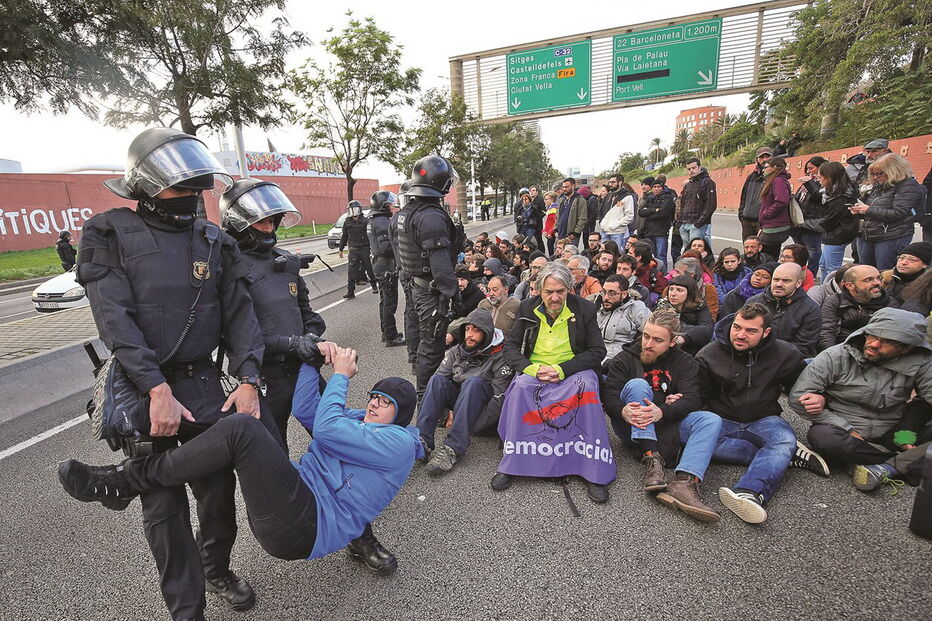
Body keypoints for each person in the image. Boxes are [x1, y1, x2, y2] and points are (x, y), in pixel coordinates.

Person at [77, 127, 265, 620]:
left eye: (198, 188)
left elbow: (241, 315)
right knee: (163, 509)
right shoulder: (108, 232)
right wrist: (155, 388)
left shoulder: (216, 240)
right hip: (145, 385)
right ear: (144, 187)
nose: (191, 198)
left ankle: (216, 567)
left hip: (203, 382)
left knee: (219, 492)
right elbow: (114, 320)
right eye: (180, 188)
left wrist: (249, 380)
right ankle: (187, 610)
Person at [60, 347, 425, 584]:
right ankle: (154, 425)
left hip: (304, 524)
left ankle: (127, 480)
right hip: (294, 500)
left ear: (401, 415)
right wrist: (312, 362)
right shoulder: (360, 421)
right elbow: (306, 410)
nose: (375, 404)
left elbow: (327, 429)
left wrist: (342, 375)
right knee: (248, 411)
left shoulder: (398, 444)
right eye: (374, 396)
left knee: (241, 430)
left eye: (386, 402)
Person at [219, 179, 330, 451]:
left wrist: (311, 337)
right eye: (261, 223)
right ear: (239, 224)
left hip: (303, 367)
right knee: (273, 457)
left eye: (272, 221)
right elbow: (238, 335)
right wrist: (291, 343)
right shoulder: (229, 271)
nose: (268, 228)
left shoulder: (284, 261)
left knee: (335, 437)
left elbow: (309, 315)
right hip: (264, 377)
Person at [492, 262, 612, 502]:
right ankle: (512, 461)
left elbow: (597, 351)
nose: (555, 297)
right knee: (520, 389)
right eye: (549, 292)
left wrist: (561, 369)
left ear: (570, 289)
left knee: (587, 388)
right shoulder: (527, 307)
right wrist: (532, 369)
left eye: (560, 291)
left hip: (572, 370)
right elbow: (511, 347)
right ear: (538, 291)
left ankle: (594, 470)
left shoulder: (585, 309)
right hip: (535, 369)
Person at [695, 304, 825, 523]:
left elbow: (801, 388)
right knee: (696, 442)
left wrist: (820, 396)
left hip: (764, 417)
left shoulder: (786, 353)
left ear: (766, 332)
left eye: (750, 331)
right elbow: (699, 396)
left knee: (783, 440)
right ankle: (784, 457)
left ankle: (749, 493)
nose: (740, 335)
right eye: (737, 327)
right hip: (721, 418)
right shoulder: (709, 354)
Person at [791, 308, 932, 492]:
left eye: (887, 341)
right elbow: (797, 397)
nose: (874, 343)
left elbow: (926, 400)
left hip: (893, 430)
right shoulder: (836, 355)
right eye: (871, 335)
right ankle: (905, 462)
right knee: (822, 438)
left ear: (907, 348)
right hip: (844, 430)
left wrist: (907, 431)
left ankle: (884, 467)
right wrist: (847, 429)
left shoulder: (922, 362)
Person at [601, 309, 723, 522]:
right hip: (631, 426)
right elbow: (609, 396)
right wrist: (621, 410)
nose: (648, 344)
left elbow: (693, 398)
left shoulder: (685, 362)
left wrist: (663, 411)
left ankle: (685, 482)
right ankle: (651, 458)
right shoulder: (625, 359)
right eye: (646, 336)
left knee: (711, 420)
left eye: (658, 340)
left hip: (666, 423)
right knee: (637, 385)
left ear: (673, 341)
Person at [396, 155, 461, 401]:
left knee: (426, 341)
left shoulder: (409, 211)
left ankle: (431, 395)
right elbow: (441, 265)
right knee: (432, 347)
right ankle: (426, 401)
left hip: (417, 285)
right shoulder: (431, 216)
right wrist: (453, 294)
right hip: (431, 292)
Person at [417, 308, 513, 475]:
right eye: (467, 329)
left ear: (487, 333)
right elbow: (439, 380)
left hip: (484, 418)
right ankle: (422, 441)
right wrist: (447, 415)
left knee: (474, 382)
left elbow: (500, 400)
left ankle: (452, 449)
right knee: (437, 380)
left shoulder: (501, 356)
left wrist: (469, 425)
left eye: (476, 330)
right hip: (460, 410)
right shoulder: (457, 351)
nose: (470, 334)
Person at [851, 153, 923, 270]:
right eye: (873, 174)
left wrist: (868, 210)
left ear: (893, 171)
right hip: (869, 235)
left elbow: (899, 213)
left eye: (880, 174)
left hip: (891, 236)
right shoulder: (878, 186)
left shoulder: (908, 186)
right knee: (866, 272)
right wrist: (859, 210)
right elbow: (871, 208)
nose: (875, 177)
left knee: (885, 273)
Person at [747, 262, 821, 357]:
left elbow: (802, 346)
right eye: (776, 279)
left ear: (798, 283)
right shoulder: (754, 301)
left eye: (786, 281)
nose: (779, 284)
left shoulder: (810, 309)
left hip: (786, 361)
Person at [819, 264, 898, 351]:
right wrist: (833, 357)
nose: (877, 283)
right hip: (838, 351)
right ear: (850, 286)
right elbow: (826, 332)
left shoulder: (889, 304)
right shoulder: (835, 301)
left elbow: (891, 337)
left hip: (873, 353)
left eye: (878, 278)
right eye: (869, 280)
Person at [365, 190, 406, 347]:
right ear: (382, 205)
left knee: (384, 301)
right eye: (388, 204)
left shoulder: (373, 220)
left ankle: (386, 332)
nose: (391, 206)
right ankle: (391, 336)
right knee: (390, 303)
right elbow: (385, 248)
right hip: (386, 264)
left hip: (379, 265)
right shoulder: (382, 222)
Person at [817, 161, 859, 282]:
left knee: (832, 269)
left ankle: (830, 292)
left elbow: (831, 218)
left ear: (830, 177)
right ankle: (823, 289)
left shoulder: (841, 196)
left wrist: (814, 224)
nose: (819, 180)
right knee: (824, 265)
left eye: (821, 177)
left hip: (838, 235)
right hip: (833, 234)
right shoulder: (831, 193)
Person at [593, 274, 651, 362]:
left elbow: (652, 330)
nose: (606, 297)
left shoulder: (636, 308)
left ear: (624, 294)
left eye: (612, 293)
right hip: (593, 353)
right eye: (604, 292)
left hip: (620, 358)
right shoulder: (594, 305)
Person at [655, 274, 713, 356]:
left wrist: (684, 337)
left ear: (689, 293)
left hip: (689, 350)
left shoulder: (699, 307)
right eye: (671, 289)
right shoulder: (662, 306)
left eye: (679, 290)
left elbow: (707, 328)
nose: (673, 294)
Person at [791, 156, 828, 276]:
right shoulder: (806, 184)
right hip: (799, 222)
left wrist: (809, 182)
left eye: (811, 168)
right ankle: (799, 273)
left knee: (813, 251)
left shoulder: (824, 183)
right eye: (807, 168)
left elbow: (818, 196)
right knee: (800, 251)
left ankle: (811, 275)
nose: (808, 171)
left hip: (812, 222)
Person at [339, 201, 377, 299]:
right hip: (353, 249)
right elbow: (344, 236)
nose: (353, 212)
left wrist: (373, 248)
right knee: (351, 271)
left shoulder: (365, 221)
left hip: (364, 248)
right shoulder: (347, 222)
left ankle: (374, 286)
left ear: (359, 209)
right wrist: (341, 249)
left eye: (355, 209)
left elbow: (370, 235)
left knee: (369, 268)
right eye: (351, 210)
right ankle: (350, 292)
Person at [757, 156, 793, 259]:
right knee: (770, 254)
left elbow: (782, 200)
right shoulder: (775, 180)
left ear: (775, 167)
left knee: (765, 256)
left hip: (774, 226)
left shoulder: (778, 181)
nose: (764, 170)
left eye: (766, 167)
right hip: (772, 225)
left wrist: (767, 213)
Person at [678, 158, 717, 247]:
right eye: (689, 169)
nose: (691, 171)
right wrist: (680, 223)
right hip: (685, 224)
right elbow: (683, 204)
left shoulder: (707, 182)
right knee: (688, 253)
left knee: (700, 252)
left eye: (694, 168)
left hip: (698, 225)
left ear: (699, 167)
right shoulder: (688, 184)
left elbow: (711, 205)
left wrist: (698, 223)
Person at [638, 178, 675, 268]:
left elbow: (663, 213)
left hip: (661, 232)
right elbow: (641, 212)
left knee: (661, 255)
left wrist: (649, 213)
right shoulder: (650, 198)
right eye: (654, 187)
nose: (656, 189)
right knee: (651, 256)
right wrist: (655, 210)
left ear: (662, 187)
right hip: (649, 231)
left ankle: (662, 275)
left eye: (658, 186)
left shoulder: (668, 198)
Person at [737, 147, 772, 241]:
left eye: (768, 156)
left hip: (763, 222)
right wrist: (741, 214)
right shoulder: (751, 177)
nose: (765, 159)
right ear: (756, 159)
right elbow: (743, 196)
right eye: (762, 157)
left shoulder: (774, 177)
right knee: (748, 250)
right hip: (747, 220)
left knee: (764, 250)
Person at [631, 241, 669, 307]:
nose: (626, 255)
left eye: (630, 253)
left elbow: (663, 293)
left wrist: (652, 299)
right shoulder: (625, 269)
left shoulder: (654, 274)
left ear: (638, 257)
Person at [600, 183, 635, 249]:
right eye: (610, 182)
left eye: (613, 182)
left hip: (618, 232)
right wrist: (602, 223)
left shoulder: (627, 197)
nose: (610, 184)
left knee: (617, 253)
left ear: (619, 182)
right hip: (605, 231)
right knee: (604, 252)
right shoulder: (608, 196)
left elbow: (629, 215)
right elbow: (601, 211)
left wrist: (617, 224)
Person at [556, 177, 588, 246]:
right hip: (560, 235)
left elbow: (582, 218)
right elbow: (557, 216)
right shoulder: (561, 199)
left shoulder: (580, 199)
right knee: (558, 255)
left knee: (570, 255)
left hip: (571, 236)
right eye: (563, 187)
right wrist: (555, 230)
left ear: (573, 186)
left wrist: (575, 233)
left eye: (566, 187)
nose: (564, 189)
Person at [542, 191, 559, 256]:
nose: (544, 201)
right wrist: (543, 231)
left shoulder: (554, 208)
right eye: (544, 199)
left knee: (552, 252)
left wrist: (550, 232)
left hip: (551, 234)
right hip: (548, 234)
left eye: (546, 199)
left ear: (552, 199)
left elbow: (555, 222)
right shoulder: (549, 208)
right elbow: (547, 222)